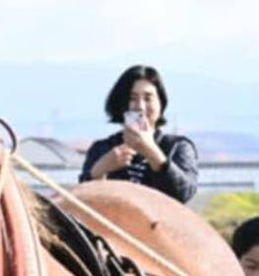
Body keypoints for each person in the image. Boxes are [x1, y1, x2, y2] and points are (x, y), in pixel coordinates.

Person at [78, 65, 198, 203]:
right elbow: (82, 202)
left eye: (148, 98)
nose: (140, 106)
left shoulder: (178, 146)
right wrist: (100, 170)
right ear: (120, 103)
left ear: (161, 103)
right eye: (132, 98)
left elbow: (184, 194)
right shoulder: (102, 149)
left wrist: (152, 151)